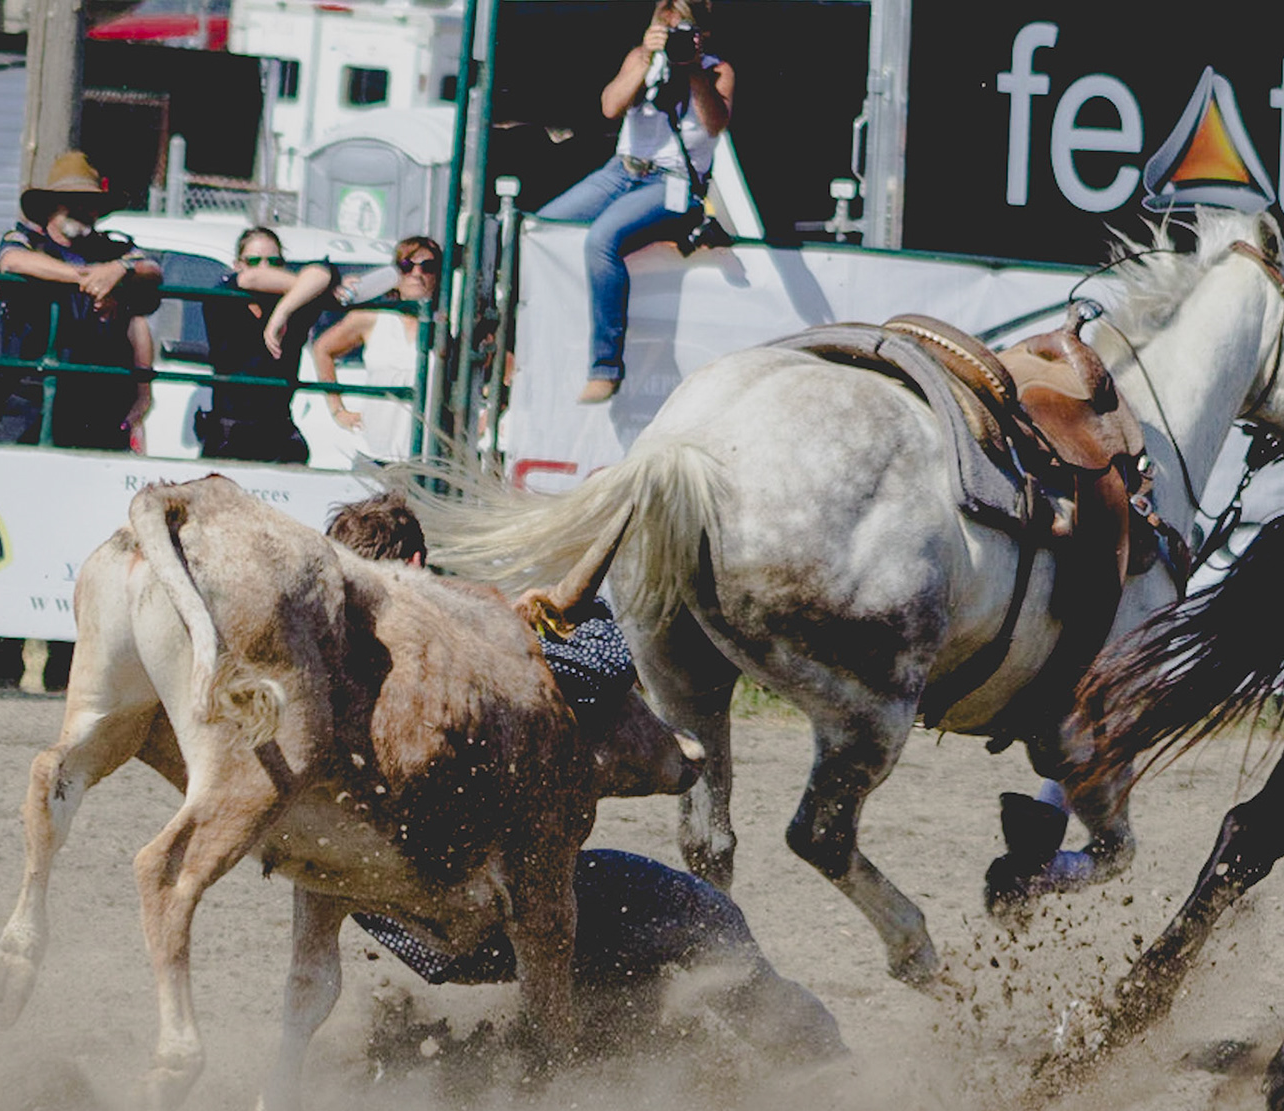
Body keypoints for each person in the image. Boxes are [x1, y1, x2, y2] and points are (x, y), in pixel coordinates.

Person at [323, 494, 843, 1063]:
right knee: (703, 915)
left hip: (405, 928)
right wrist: (556, 614)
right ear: (417, 566)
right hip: (498, 907)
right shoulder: (462, 655)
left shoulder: (332, 680)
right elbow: (603, 669)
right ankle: (821, 1065)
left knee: (613, 948)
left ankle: (599, 1059)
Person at [0, 149, 164, 693]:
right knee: (11, 526)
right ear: (50, 206)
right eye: (72, 202)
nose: (83, 212)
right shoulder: (24, 240)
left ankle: (67, 665)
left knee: (88, 536)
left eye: (89, 203)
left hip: (93, 412)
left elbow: (152, 270)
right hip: (26, 405)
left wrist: (117, 271)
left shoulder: (116, 250)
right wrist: (86, 278)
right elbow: (12, 263)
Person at [535, 0, 735, 404]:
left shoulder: (718, 71)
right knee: (541, 226)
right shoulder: (641, 58)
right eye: (667, 26)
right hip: (622, 170)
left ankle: (605, 367)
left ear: (702, 34)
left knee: (602, 239)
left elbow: (715, 124)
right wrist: (646, 57)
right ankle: (534, 335)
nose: (674, 35)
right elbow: (610, 107)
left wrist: (693, 68)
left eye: (683, 28)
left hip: (674, 182)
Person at [196, 226, 343, 463]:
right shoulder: (225, 293)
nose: (264, 268)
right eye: (253, 261)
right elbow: (251, 279)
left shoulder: (297, 307)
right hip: (230, 428)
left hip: (277, 428)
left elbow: (322, 272)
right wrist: (309, 288)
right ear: (237, 265)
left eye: (273, 262)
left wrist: (282, 313)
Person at [310, 235, 440, 461]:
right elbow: (322, 349)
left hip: (429, 459)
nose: (417, 273)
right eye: (406, 266)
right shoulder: (373, 317)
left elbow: (497, 361)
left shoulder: (449, 325)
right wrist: (338, 410)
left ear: (438, 276)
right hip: (373, 453)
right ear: (395, 274)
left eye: (427, 267)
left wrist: (485, 418)